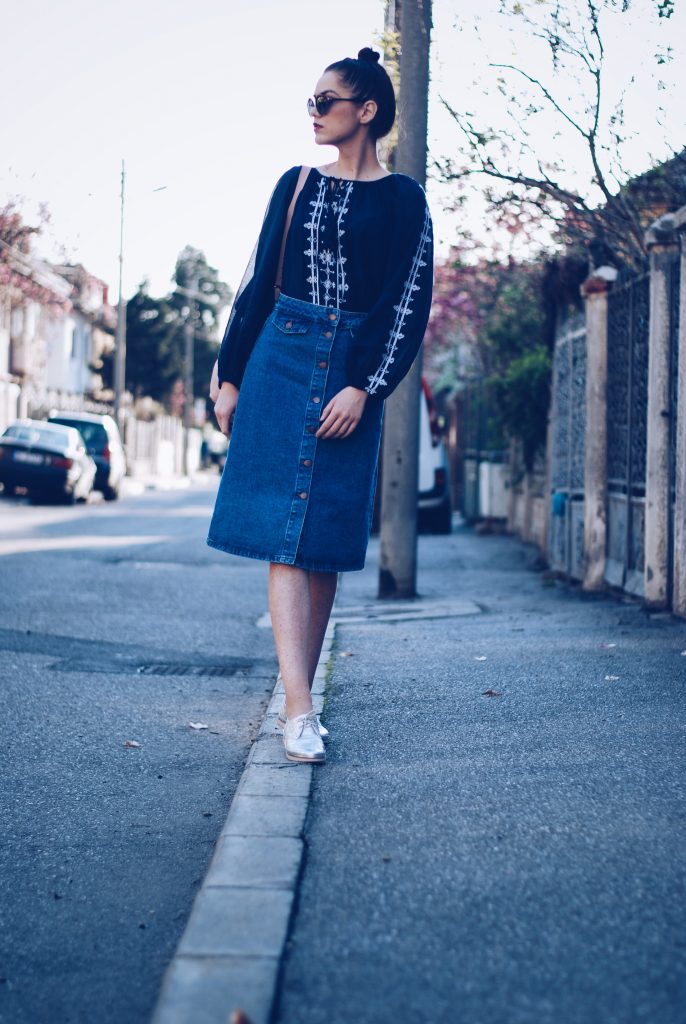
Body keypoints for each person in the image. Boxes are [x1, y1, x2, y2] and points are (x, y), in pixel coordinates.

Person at [207, 47, 434, 765]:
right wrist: (229, 373)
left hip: (349, 367)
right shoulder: (296, 183)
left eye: (326, 100)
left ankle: (303, 694)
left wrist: (365, 386)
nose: (313, 111)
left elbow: (407, 303)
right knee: (281, 532)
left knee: (326, 534)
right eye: (310, 100)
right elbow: (255, 282)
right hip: (279, 355)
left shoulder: (404, 201)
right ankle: (297, 706)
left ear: (366, 111)